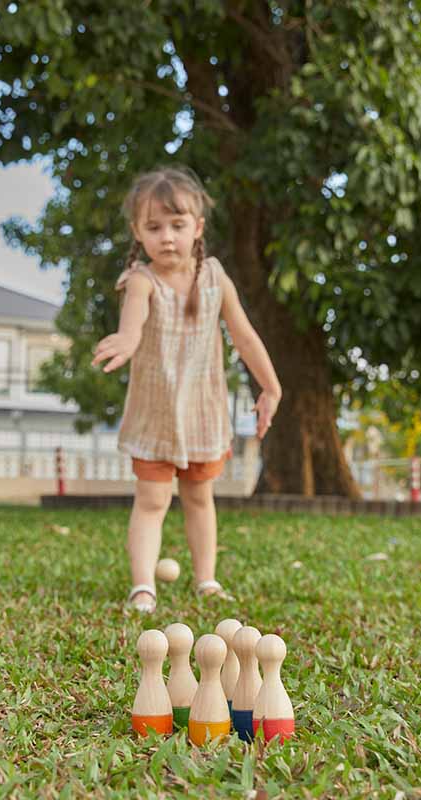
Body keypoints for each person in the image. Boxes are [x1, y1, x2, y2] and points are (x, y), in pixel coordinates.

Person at [92, 167, 282, 613]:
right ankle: (143, 585)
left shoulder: (215, 278)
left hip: (201, 412)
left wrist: (270, 387)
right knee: (153, 499)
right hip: (155, 414)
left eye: (177, 226)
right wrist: (125, 340)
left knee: (199, 497)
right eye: (154, 227)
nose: (167, 237)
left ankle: (206, 579)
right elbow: (134, 321)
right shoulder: (141, 279)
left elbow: (246, 336)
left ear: (197, 227)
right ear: (137, 232)